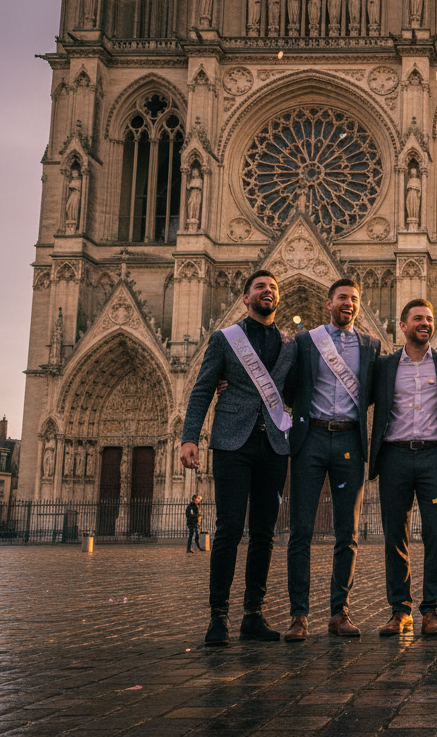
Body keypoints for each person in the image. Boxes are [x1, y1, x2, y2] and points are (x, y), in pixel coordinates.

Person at [180, 270, 297, 647]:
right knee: (229, 530)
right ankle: (218, 617)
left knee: (264, 533)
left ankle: (253, 615)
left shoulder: (289, 344)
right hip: (233, 442)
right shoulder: (225, 339)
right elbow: (201, 391)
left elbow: (297, 390)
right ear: (245, 298)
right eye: (260, 287)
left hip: (274, 445)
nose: (268, 292)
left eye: (273, 288)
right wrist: (189, 438)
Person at [280, 278, 381, 641]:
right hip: (312, 438)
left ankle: (340, 612)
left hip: (349, 440)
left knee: (347, 533)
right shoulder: (306, 342)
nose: (348, 304)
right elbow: (286, 385)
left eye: (354, 299)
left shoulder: (371, 345)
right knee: (301, 531)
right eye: (342, 298)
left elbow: (375, 391)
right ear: (328, 303)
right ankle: (298, 616)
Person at [368, 300, 437, 636]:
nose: (425, 323)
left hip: (435, 456)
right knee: (395, 536)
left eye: (429, 319)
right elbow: (353, 394)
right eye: (418, 318)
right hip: (394, 455)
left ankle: (432, 611)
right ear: (402, 325)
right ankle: (400, 610)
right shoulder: (384, 366)